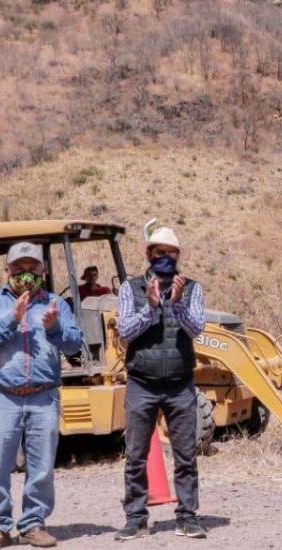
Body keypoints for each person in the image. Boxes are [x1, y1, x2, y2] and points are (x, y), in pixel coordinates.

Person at [0, 242, 83, 550]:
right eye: (18, 268)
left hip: (43, 397)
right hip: (1, 396)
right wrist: (11, 317)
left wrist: (55, 327)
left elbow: (74, 345)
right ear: (7, 270)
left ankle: (33, 524)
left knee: (42, 467)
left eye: (32, 267)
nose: (26, 273)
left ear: (42, 270)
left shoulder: (56, 304)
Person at [113, 223, 208, 542]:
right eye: (160, 252)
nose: (166, 257)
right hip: (142, 382)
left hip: (181, 383)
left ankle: (187, 516)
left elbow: (196, 330)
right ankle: (136, 518)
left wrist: (177, 303)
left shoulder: (193, 288)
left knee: (185, 455)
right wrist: (152, 307)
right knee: (136, 454)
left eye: (171, 253)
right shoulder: (130, 288)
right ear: (148, 254)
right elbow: (125, 332)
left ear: (178, 256)